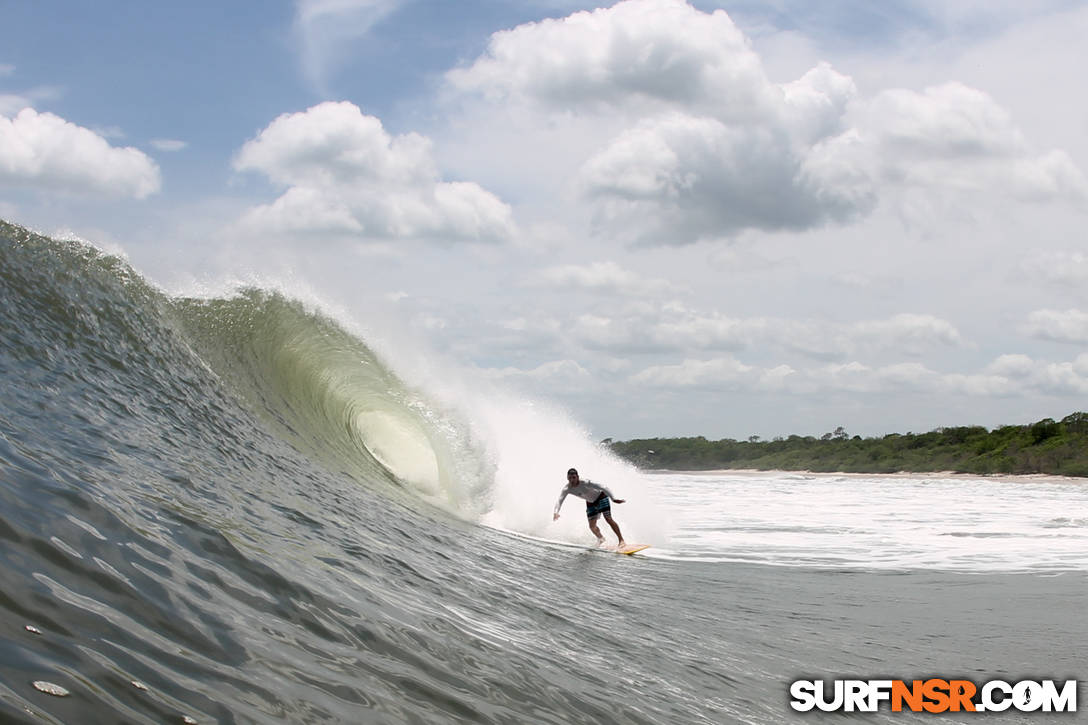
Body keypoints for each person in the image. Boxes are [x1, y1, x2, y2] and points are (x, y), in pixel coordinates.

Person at [553, 467, 626, 547]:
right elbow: (560, 500)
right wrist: (556, 512)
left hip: (601, 497)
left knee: (608, 519)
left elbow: (603, 487)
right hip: (590, 502)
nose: (572, 480)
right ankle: (602, 539)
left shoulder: (586, 482)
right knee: (592, 526)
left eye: (574, 477)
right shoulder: (567, 488)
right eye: (570, 478)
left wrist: (613, 498)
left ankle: (621, 540)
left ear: (577, 477)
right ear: (567, 478)